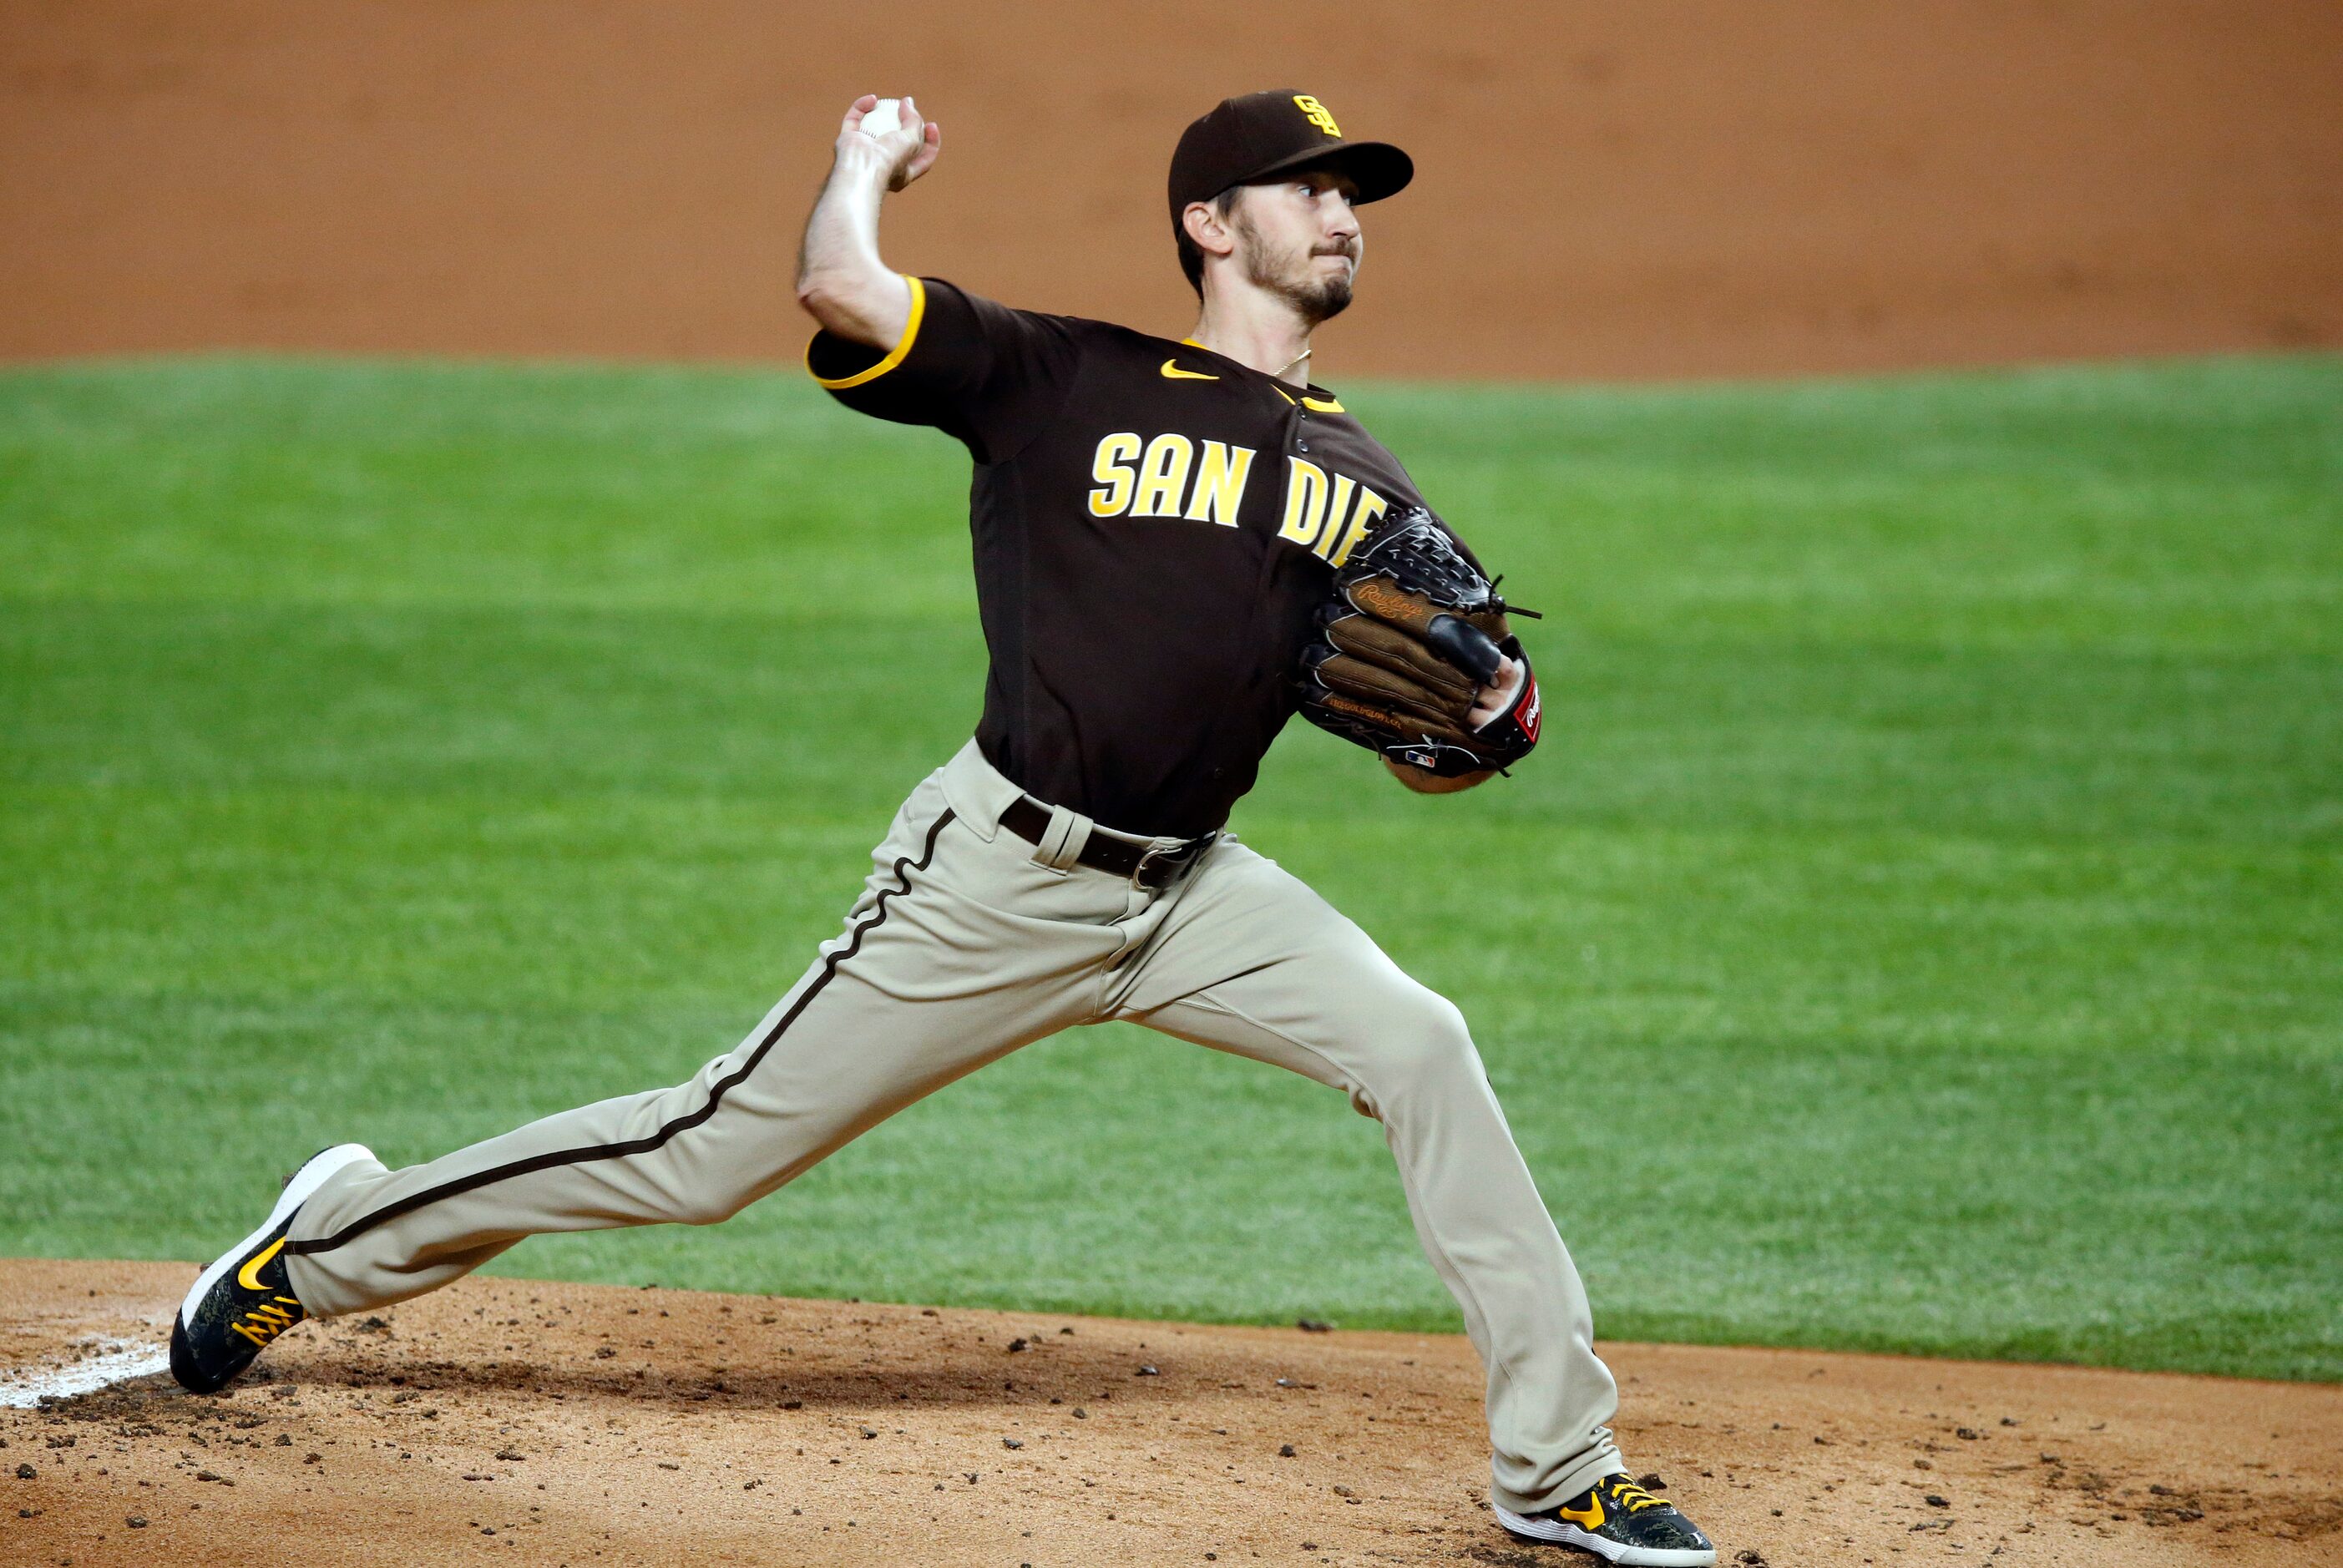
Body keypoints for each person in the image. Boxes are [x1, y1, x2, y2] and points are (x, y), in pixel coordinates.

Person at [170, 89, 1716, 1566]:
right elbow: (840, 287)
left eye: (1353, 196)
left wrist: (1488, 723)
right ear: (1207, 220)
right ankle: (317, 1247)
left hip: (1190, 899)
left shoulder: (1370, 489)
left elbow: (1411, 748)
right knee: (704, 1152)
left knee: (1423, 1043)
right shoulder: (1064, 375)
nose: (1341, 215)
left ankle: (1558, 1468)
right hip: (999, 877)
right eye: (1307, 188)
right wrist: (865, 160)